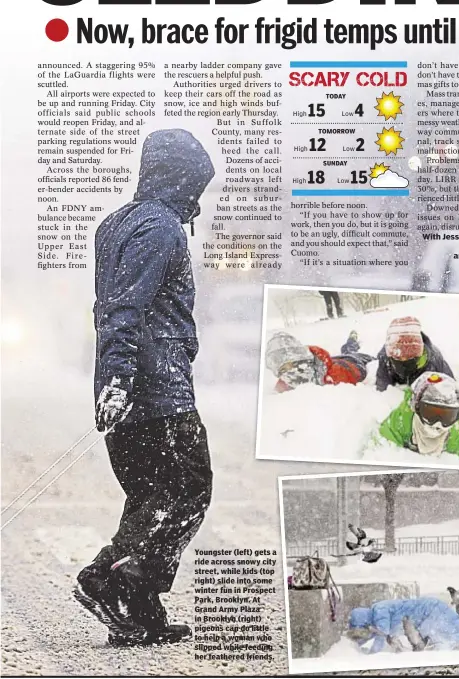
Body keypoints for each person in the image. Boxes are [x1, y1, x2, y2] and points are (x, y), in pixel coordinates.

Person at [74, 129, 215, 647]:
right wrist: (120, 378)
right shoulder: (160, 228)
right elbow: (122, 308)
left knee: (152, 497)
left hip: (133, 387)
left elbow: (115, 306)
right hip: (157, 390)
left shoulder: (117, 224)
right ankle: (118, 582)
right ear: (181, 179)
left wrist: (113, 381)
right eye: (196, 186)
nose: (198, 201)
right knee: (188, 491)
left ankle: (128, 602)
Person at [347, 597, 459, 654]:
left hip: (428, 610)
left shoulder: (378, 609)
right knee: (457, 631)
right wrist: (356, 645)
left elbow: (382, 633)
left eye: (361, 626)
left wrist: (371, 654)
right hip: (427, 611)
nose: (365, 629)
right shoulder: (375, 616)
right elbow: (378, 634)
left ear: (364, 620)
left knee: (457, 632)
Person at [377, 372, 459, 458]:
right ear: (416, 408)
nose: (437, 424)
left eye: (447, 416)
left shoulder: (458, 436)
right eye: (431, 413)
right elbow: (380, 445)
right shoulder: (401, 420)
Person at [266, 331, 374, 393]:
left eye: (290, 366)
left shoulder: (336, 375)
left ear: (298, 361)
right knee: (347, 350)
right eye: (283, 370)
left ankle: (352, 340)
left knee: (349, 350)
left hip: (355, 361)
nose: (287, 374)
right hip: (333, 360)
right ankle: (351, 341)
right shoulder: (288, 379)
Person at [375, 316, 454, 392]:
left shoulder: (434, 361)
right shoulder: (386, 359)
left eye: (409, 358)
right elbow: (382, 389)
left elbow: (450, 388)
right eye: (398, 359)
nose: (403, 361)